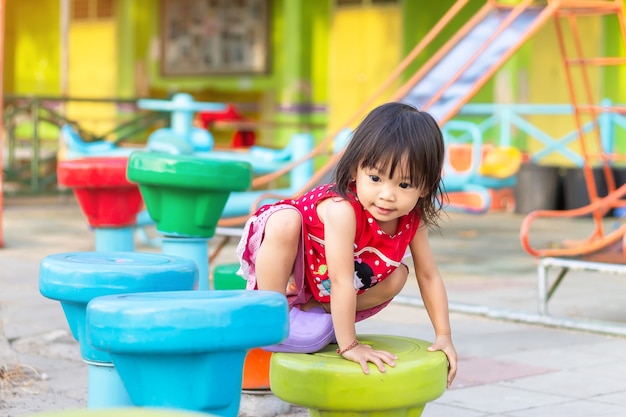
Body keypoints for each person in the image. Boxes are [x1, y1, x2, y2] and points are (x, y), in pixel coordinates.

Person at [236, 102, 457, 387]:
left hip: (326, 283)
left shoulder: (413, 218)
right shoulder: (342, 209)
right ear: (356, 170)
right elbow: (341, 281)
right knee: (284, 221)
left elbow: (429, 275)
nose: (387, 195)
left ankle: (315, 313)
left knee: (399, 275)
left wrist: (444, 337)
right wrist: (350, 346)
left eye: (404, 185)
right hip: (295, 264)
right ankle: (270, 312)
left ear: (426, 186)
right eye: (375, 178)